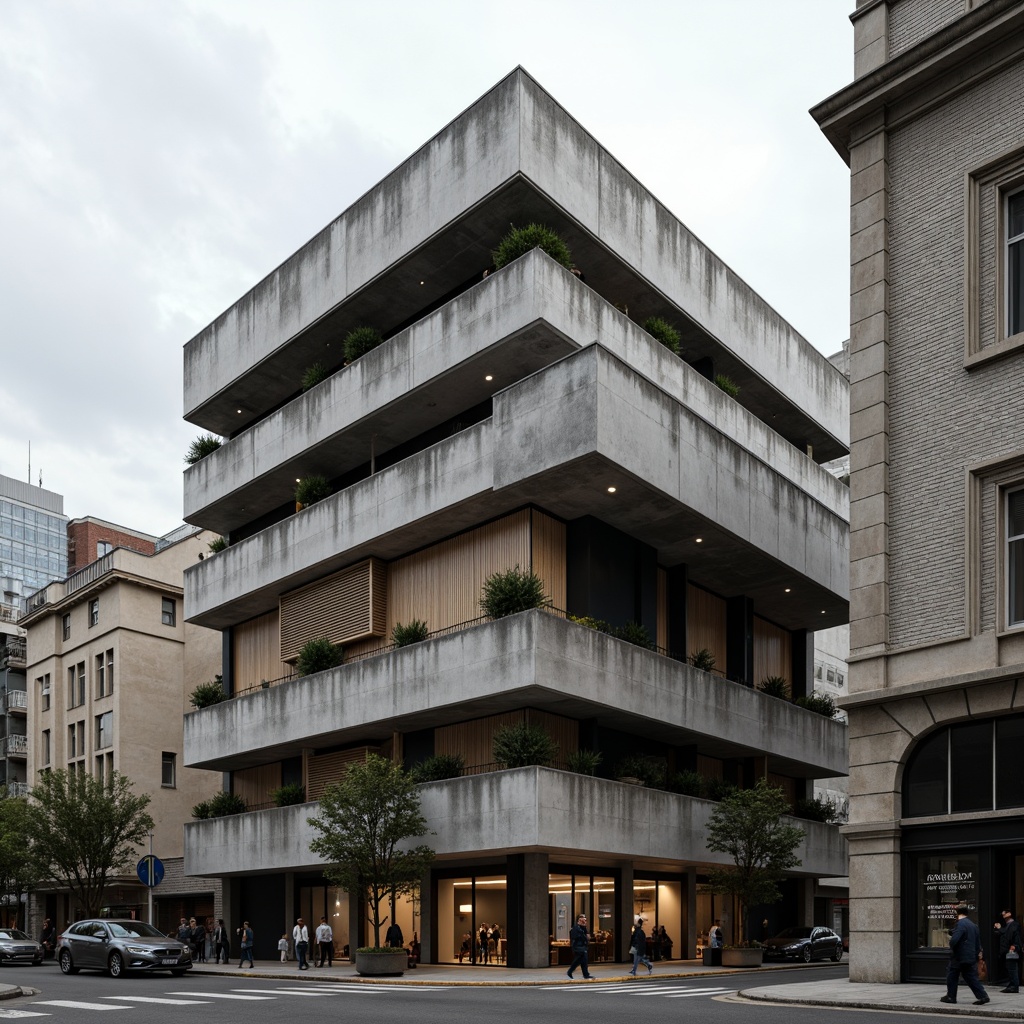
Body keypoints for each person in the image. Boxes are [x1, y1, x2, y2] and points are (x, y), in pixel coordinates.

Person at [942, 904, 989, 1005]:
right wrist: (976, 954)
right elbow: (978, 943)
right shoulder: (973, 925)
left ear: (957, 913)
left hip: (959, 956)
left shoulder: (960, 924)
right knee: (970, 977)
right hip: (970, 956)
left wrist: (951, 946)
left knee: (952, 975)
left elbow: (954, 940)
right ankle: (983, 996)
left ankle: (951, 996)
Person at [995, 908, 1022, 993]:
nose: (1003, 914)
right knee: (1009, 968)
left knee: (1012, 968)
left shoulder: (1014, 925)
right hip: (1006, 950)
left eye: (1005, 912)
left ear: (1009, 913)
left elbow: (1009, 935)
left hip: (1011, 950)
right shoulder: (1007, 925)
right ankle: (1011, 985)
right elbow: (1002, 934)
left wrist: (1015, 945)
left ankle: (1014, 986)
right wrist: (998, 929)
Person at [566, 913, 593, 980]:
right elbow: (575, 937)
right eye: (583, 920)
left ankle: (585, 974)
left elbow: (588, 937)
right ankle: (570, 971)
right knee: (578, 960)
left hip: (583, 947)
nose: (584, 922)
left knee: (584, 960)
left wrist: (584, 928)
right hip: (578, 947)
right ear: (579, 920)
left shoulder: (583, 928)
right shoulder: (575, 928)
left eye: (585, 920)